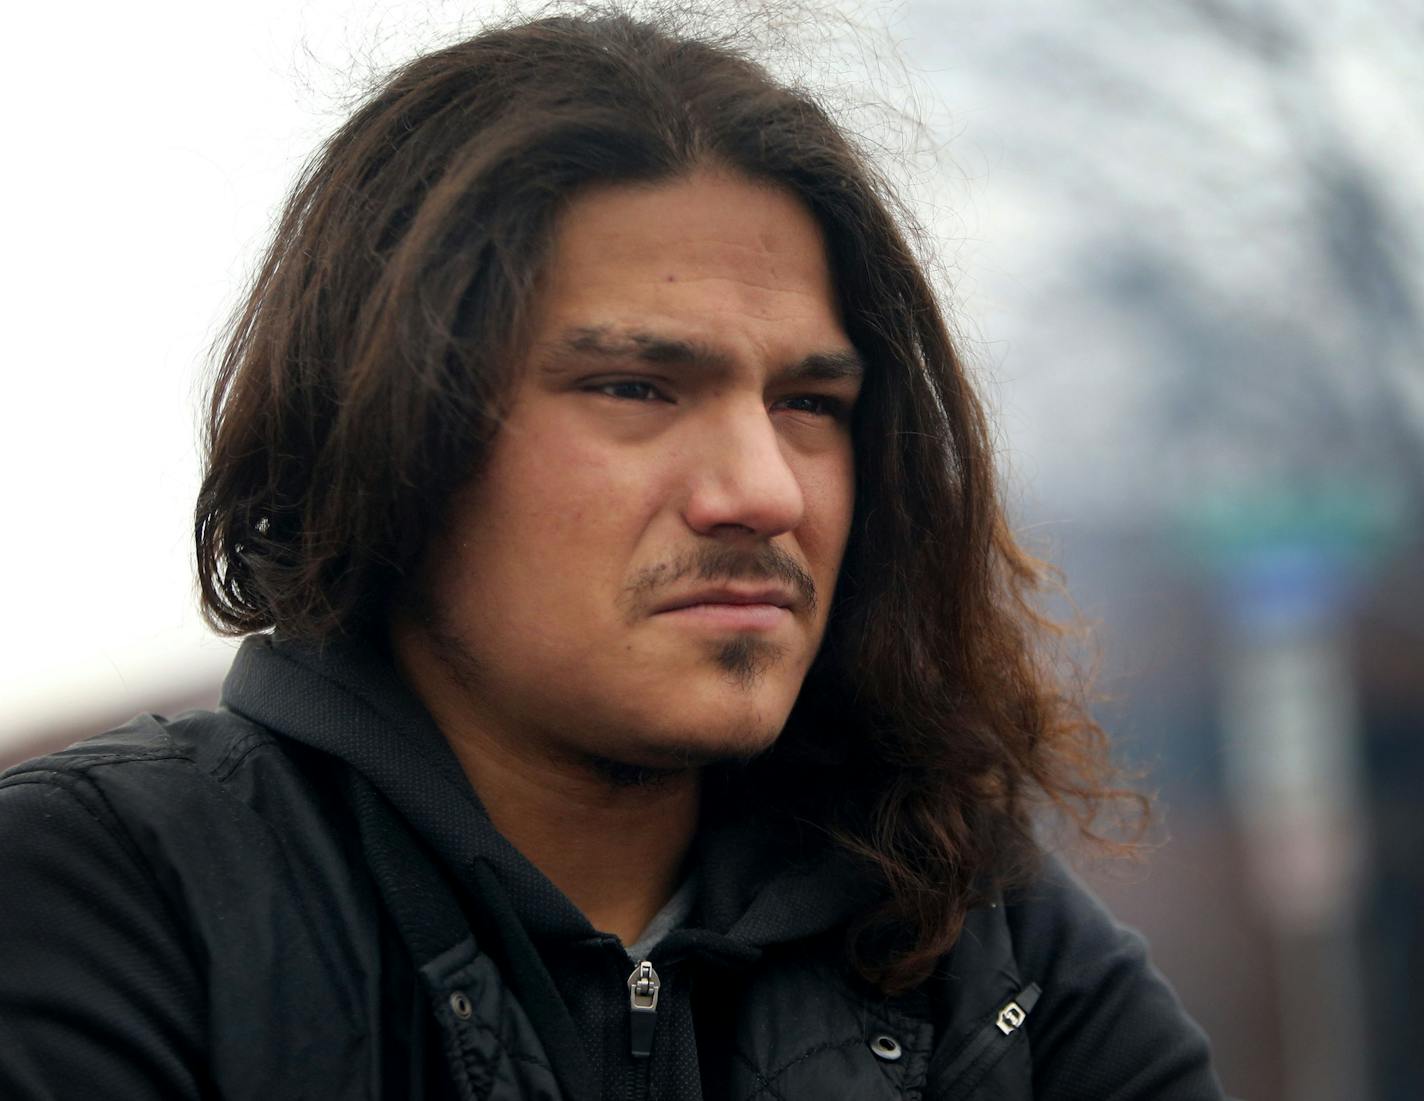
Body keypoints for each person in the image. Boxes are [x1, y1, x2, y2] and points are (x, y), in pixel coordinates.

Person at [0, 10, 1225, 1100]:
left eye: (809, 403)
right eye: (636, 386)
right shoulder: (109, 898)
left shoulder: (972, 945)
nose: (759, 490)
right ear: (391, 435)